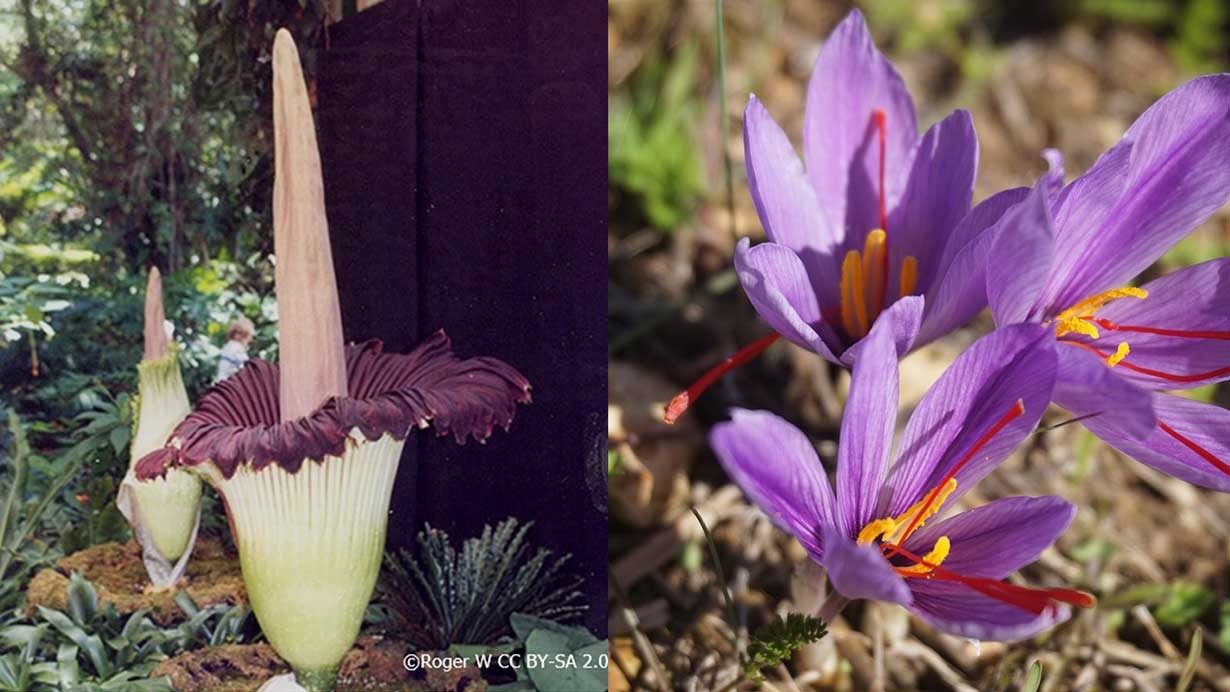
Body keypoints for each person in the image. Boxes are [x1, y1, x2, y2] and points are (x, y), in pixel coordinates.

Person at [215, 317, 254, 382]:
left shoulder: (228, 346)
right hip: (229, 385)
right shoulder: (237, 349)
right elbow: (246, 370)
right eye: (249, 336)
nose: (250, 340)